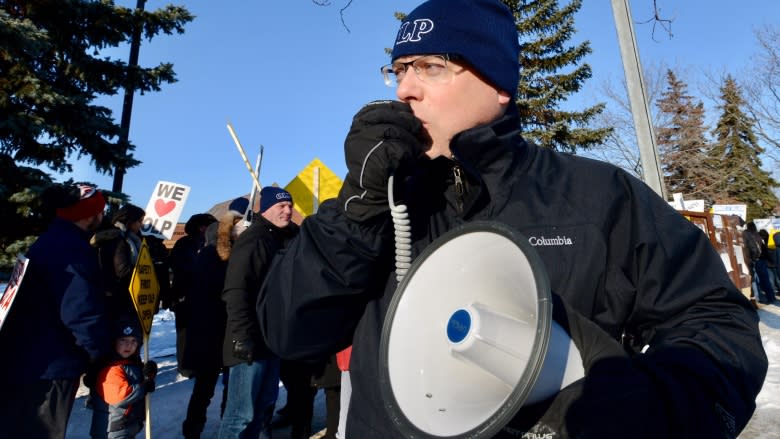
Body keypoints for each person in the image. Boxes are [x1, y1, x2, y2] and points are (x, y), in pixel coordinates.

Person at [256, 1, 768, 437]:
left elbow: (717, 324)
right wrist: (357, 211)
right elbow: (289, 333)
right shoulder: (381, 205)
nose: (405, 91)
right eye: (399, 69)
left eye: (430, 66)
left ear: (498, 83)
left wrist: (642, 406)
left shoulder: (596, 196)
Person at [0, 183, 112, 439]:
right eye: (100, 210)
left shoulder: (52, 240)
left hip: (28, 360)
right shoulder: (70, 249)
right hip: (48, 367)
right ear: (88, 215)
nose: (103, 215)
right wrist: (100, 354)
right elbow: (81, 311)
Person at [218, 187, 298, 439]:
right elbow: (236, 289)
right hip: (249, 343)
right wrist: (242, 336)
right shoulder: (255, 239)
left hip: (269, 340)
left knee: (261, 410)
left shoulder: (277, 237)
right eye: (281, 206)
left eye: (290, 206)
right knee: (239, 416)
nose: (288, 211)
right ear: (265, 209)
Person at [179, 203, 247, 438]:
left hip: (209, 330)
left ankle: (194, 428)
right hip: (217, 331)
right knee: (218, 386)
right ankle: (217, 426)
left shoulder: (206, 257)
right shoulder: (216, 259)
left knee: (206, 388)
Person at [168, 212, 218, 376]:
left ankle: (199, 362)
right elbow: (181, 268)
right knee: (185, 333)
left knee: (202, 331)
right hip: (185, 295)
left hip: (202, 296)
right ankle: (186, 366)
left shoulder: (208, 243)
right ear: (202, 227)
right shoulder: (186, 243)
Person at [89, 321, 158, 439]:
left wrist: (149, 373)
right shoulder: (110, 369)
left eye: (133, 341)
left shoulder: (132, 364)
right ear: (114, 342)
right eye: (123, 340)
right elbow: (121, 396)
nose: (128, 345)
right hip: (113, 429)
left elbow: (142, 380)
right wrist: (144, 387)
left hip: (128, 423)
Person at [91, 203, 147, 324]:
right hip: (118, 298)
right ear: (129, 220)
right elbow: (122, 270)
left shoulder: (130, 238)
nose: (141, 225)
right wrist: (145, 273)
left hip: (122, 296)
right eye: (139, 221)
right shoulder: (117, 239)